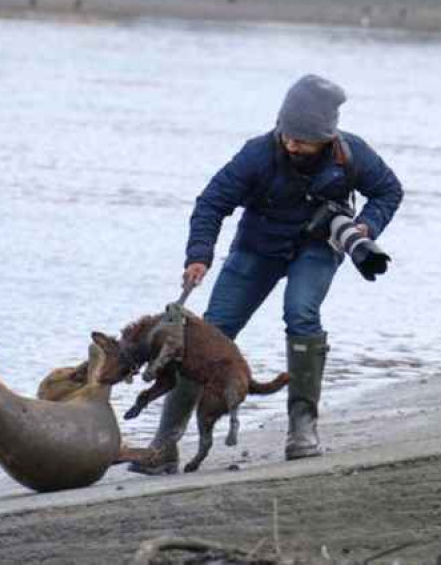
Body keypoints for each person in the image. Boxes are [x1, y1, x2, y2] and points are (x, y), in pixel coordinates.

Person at [131, 74, 403, 473]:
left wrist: (367, 226)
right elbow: (211, 203)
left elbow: (389, 191)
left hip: (316, 248)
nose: (291, 144)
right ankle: (164, 445)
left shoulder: (352, 154)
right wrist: (199, 255)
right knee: (208, 334)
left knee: (301, 314)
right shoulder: (257, 154)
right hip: (256, 249)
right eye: (286, 134)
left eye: (302, 139)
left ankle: (303, 430)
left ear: (327, 137)